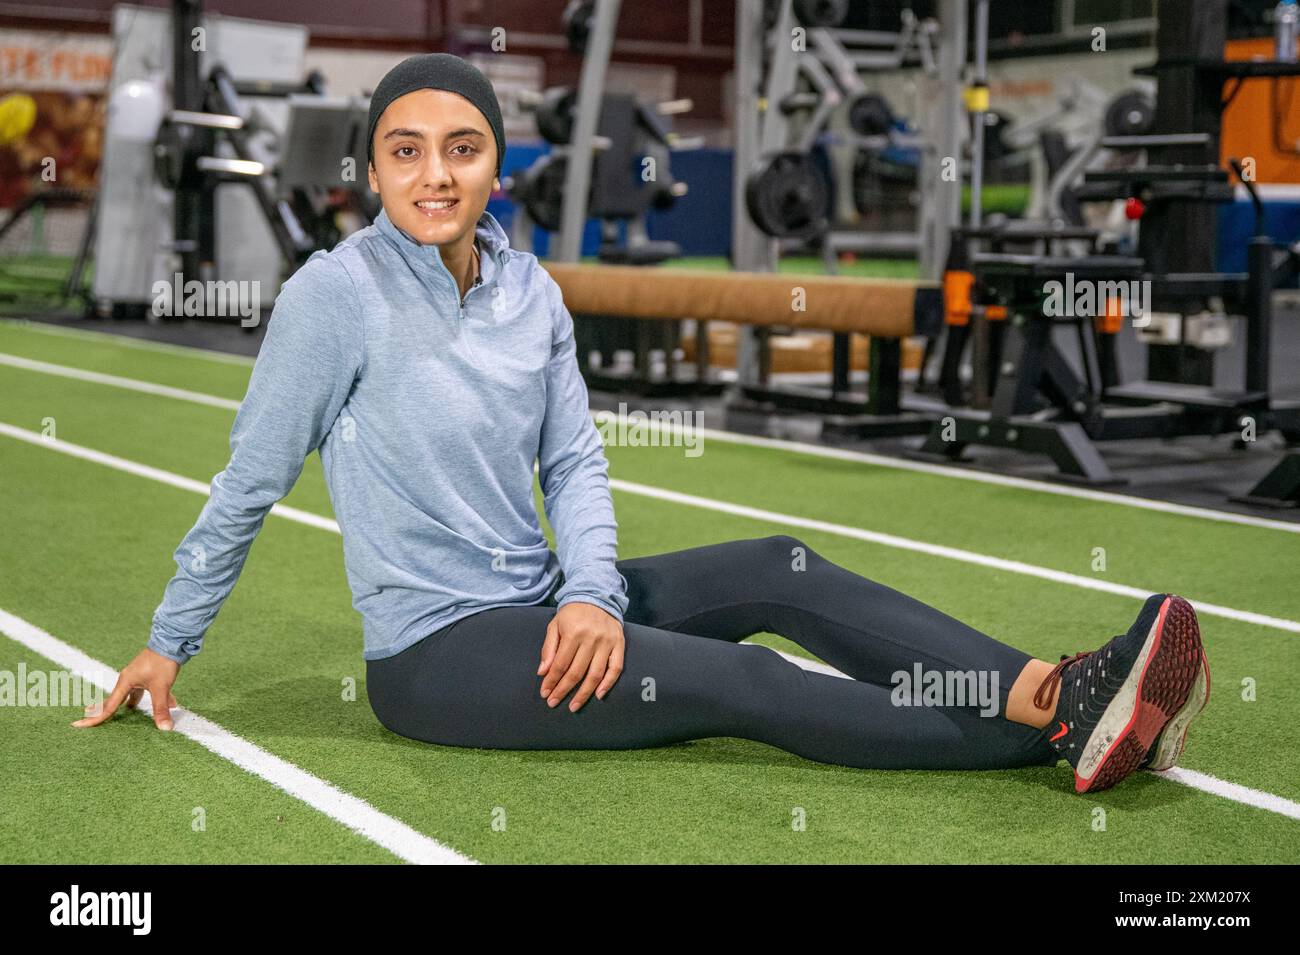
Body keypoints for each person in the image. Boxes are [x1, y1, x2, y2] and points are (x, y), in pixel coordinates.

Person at [75, 54, 1210, 795]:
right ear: (371, 166)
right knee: (740, 686)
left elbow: (572, 460)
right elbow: (251, 479)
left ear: (496, 163)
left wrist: (588, 592)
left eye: (460, 147)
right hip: (441, 655)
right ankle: (1059, 718)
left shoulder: (532, 293)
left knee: (780, 566)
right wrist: (167, 644)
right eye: (405, 150)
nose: (434, 173)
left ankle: (1047, 692)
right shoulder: (337, 295)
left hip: (543, 597)